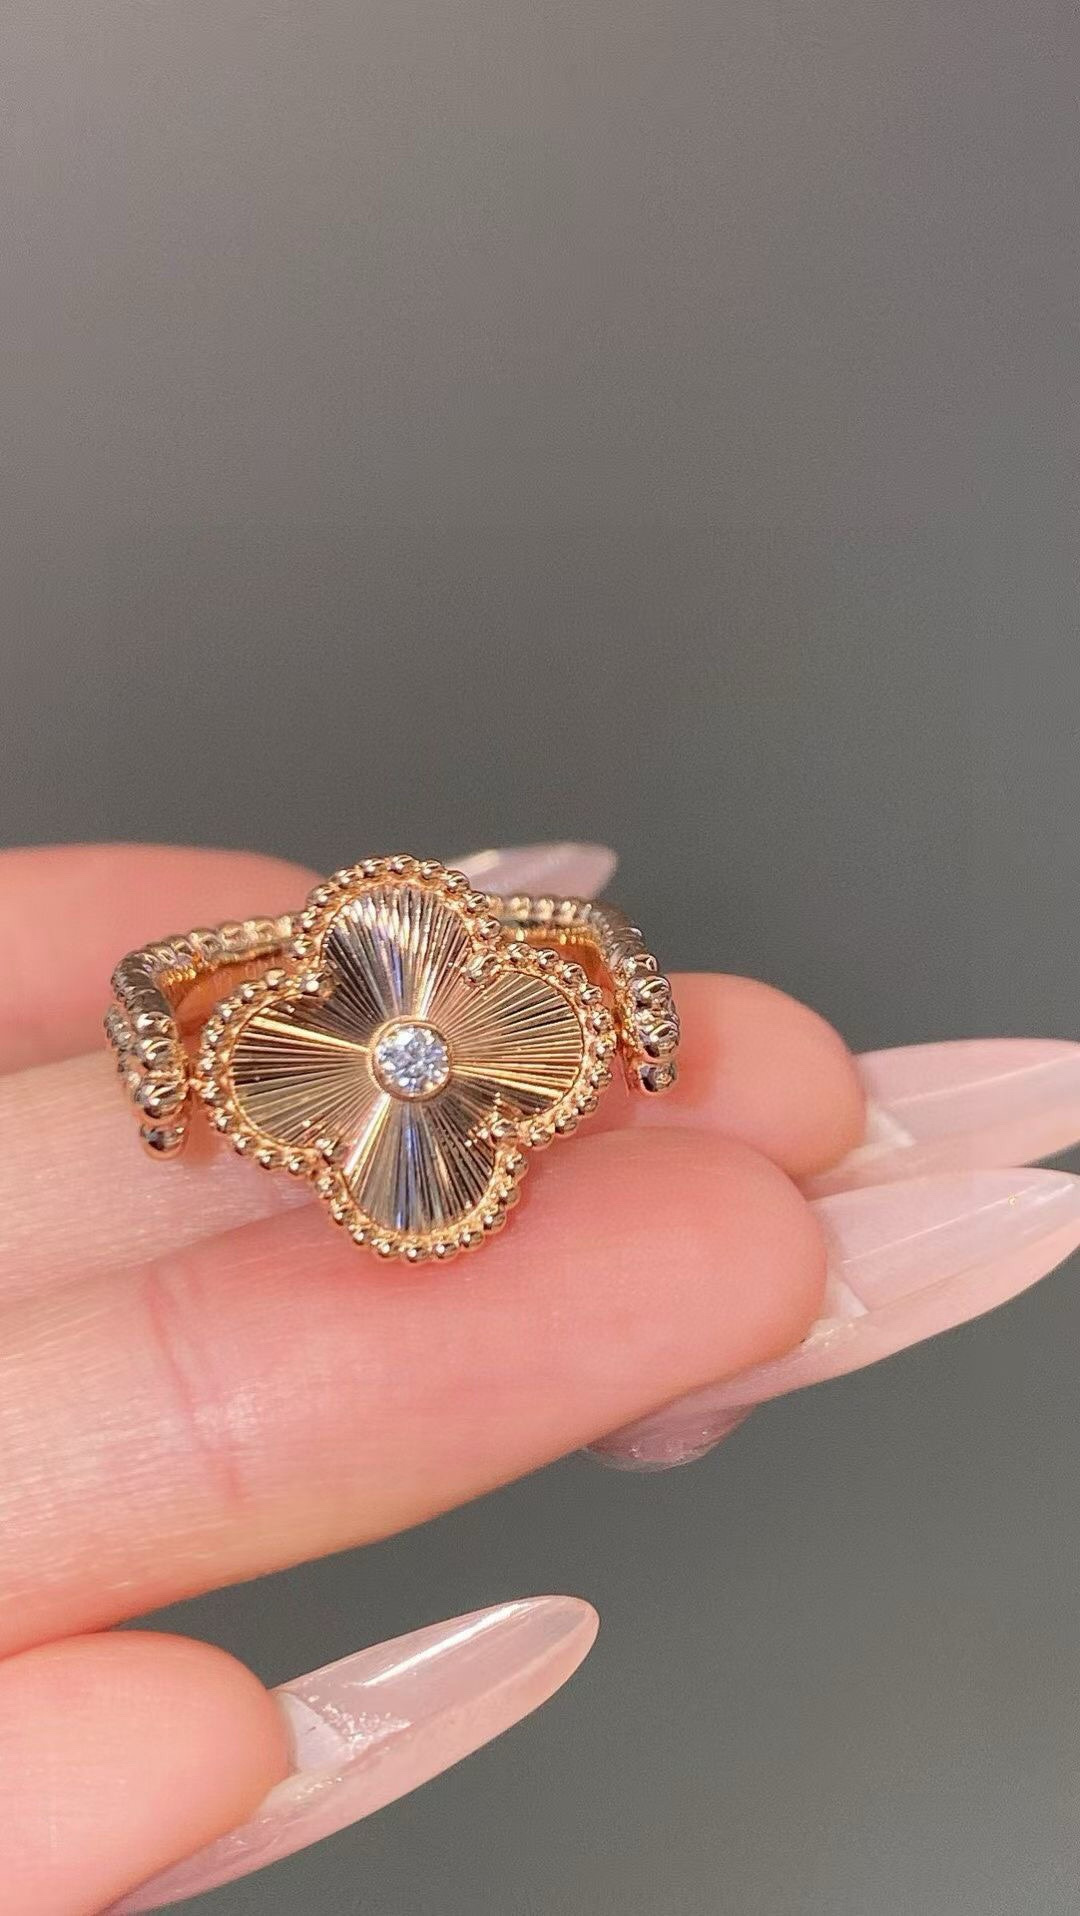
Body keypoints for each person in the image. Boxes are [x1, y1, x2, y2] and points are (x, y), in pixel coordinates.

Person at [3, 840, 1078, 1914]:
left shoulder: (515, 1035)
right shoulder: (320, 1068)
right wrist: (165, 1067)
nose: (410, 1054)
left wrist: (633, 1011)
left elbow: (583, 960)